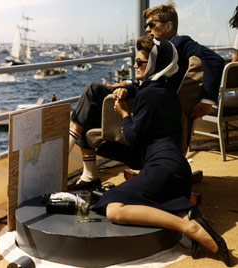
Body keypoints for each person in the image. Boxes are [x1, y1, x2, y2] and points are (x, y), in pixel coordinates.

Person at [92, 35, 230, 267]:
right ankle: (184, 216)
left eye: (140, 62)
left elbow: (135, 138)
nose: (135, 65)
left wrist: (125, 115)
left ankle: (189, 226)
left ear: (156, 64)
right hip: (176, 170)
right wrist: (129, 91)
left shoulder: (149, 94)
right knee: (132, 200)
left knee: (114, 209)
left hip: (162, 168)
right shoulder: (165, 90)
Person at [69, 1, 224, 190]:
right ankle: (88, 174)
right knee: (92, 102)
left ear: (169, 26)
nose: (147, 29)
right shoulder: (157, 48)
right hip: (145, 96)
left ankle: (73, 163)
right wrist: (128, 86)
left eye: (152, 24)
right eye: (146, 25)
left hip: (153, 107)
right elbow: (151, 79)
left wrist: (207, 100)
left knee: (93, 92)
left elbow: (214, 59)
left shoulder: (180, 43)